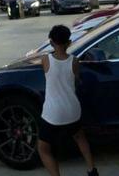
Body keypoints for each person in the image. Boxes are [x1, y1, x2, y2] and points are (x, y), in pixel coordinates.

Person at [38, 25, 99, 176]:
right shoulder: (75, 61)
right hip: (73, 111)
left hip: (53, 115)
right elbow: (76, 81)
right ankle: (92, 170)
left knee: (43, 148)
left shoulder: (45, 60)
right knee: (80, 137)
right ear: (69, 42)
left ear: (51, 42)